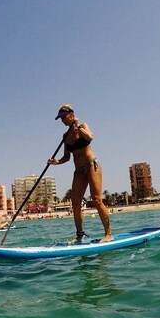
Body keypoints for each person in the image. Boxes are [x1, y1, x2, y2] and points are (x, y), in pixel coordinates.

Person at [47, 104, 113, 243]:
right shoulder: (65, 136)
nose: (62, 121)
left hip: (91, 165)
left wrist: (78, 126)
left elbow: (90, 138)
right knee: (75, 203)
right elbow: (66, 157)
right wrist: (55, 162)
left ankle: (108, 233)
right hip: (78, 171)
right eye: (60, 118)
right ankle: (79, 235)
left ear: (71, 115)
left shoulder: (83, 125)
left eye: (63, 117)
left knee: (96, 199)